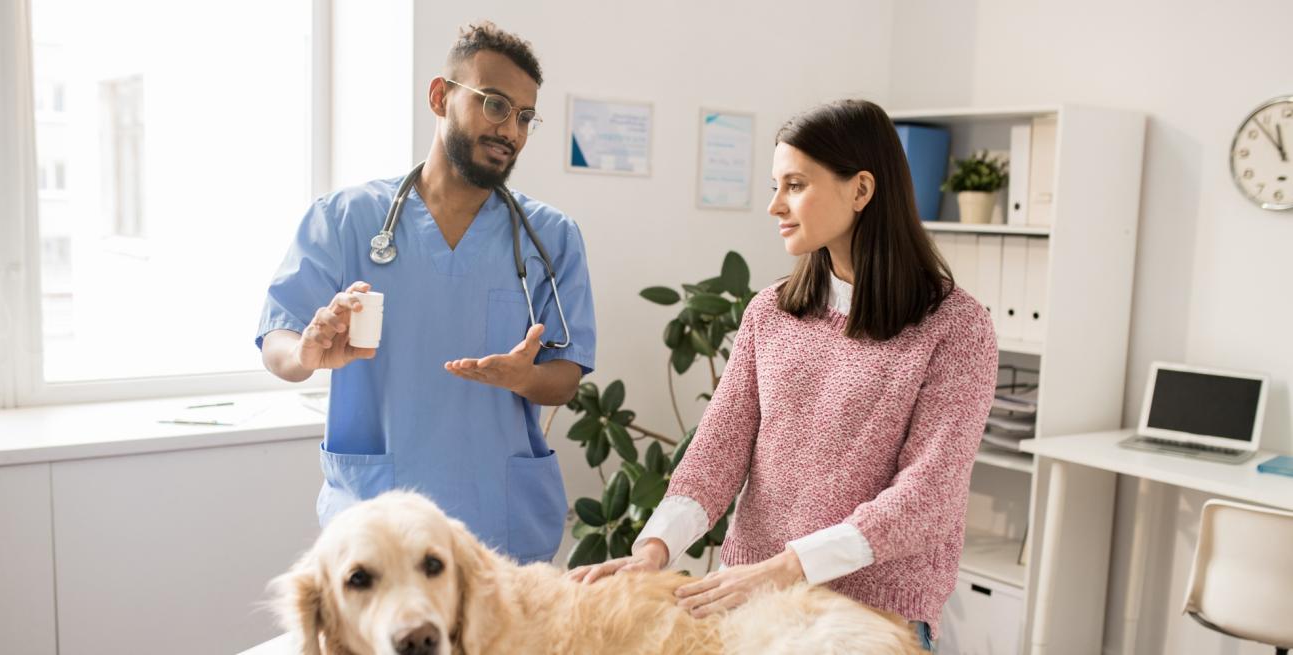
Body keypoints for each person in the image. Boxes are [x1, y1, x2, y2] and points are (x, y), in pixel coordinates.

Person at [568, 99, 997, 651]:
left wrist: (789, 566)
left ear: (861, 190)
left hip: (867, 617)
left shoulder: (957, 328)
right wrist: (652, 552)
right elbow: (715, 453)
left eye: (795, 184)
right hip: (753, 605)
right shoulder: (769, 312)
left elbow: (923, 500)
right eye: (776, 185)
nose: (774, 205)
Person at [256, 21, 596, 564]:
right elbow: (279, 342)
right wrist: (303, 352)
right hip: (378, 519)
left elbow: (565, 379)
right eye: (494, 105)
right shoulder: (344, 219)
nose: (511, 129)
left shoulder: (551, 237)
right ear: (441, 96)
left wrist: (525, 377)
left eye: (525, 117)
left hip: (499, 525)